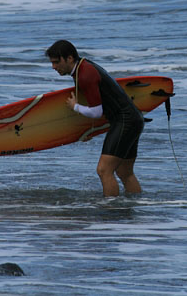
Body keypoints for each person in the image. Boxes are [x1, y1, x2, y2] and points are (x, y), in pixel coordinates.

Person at [46, 40, 145, 197]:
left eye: (56, 62)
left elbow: (96, 111)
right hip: (133, 119)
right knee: (124, 172)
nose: (53, 67)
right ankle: (135, 205)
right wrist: (88, 130)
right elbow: (102, 102)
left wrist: (75, 107)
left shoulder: (85, 75)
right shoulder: (84, 66)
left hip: (125, 121)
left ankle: (111, 211)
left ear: (69, 58)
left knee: (104, 170)